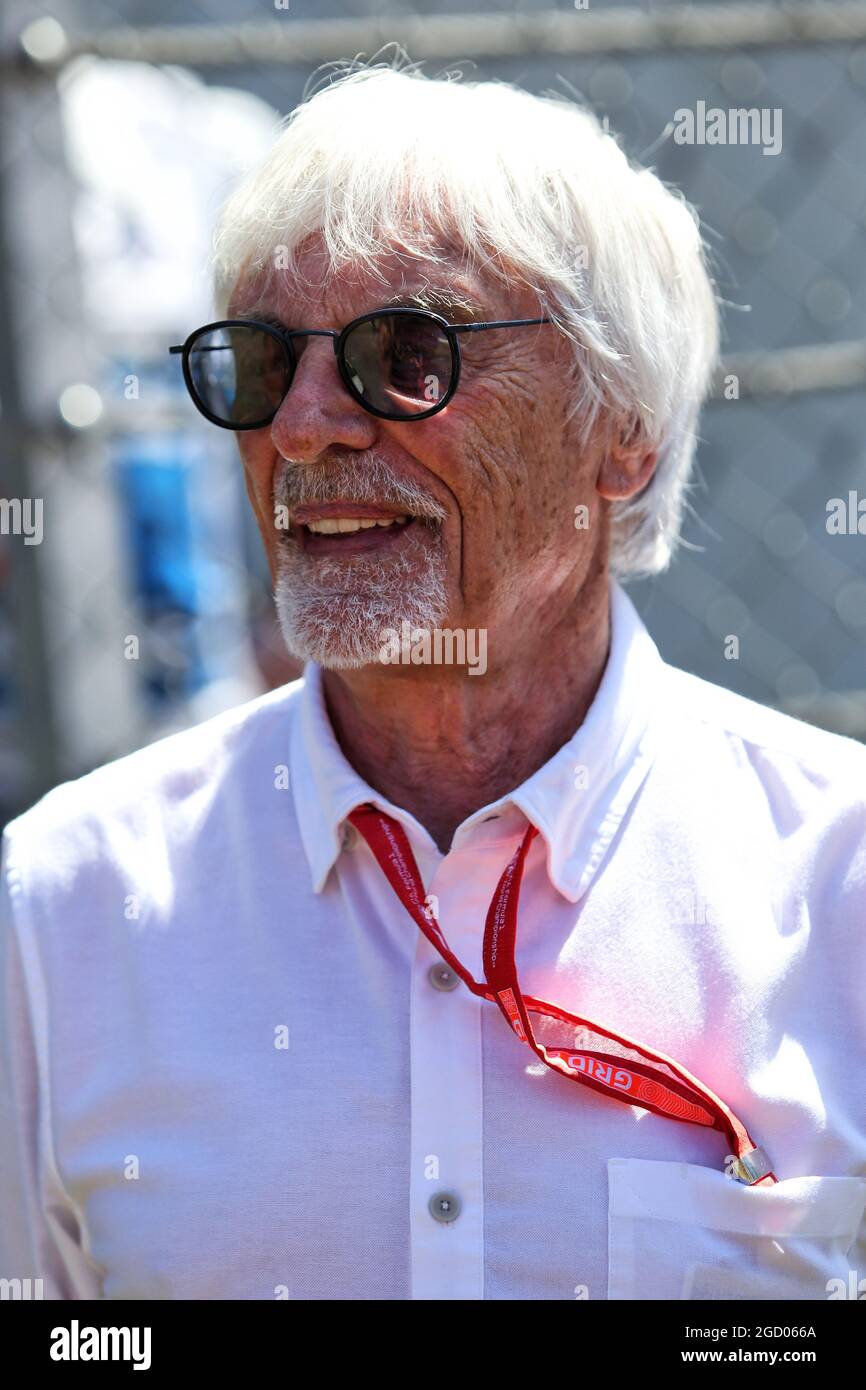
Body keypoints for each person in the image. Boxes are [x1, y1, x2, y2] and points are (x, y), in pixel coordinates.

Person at [1, 57, 864, 1302]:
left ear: (618, 433)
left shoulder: (833, 879)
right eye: (257, 362)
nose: (303, 427)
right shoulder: (68, 903)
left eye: (404, 357)